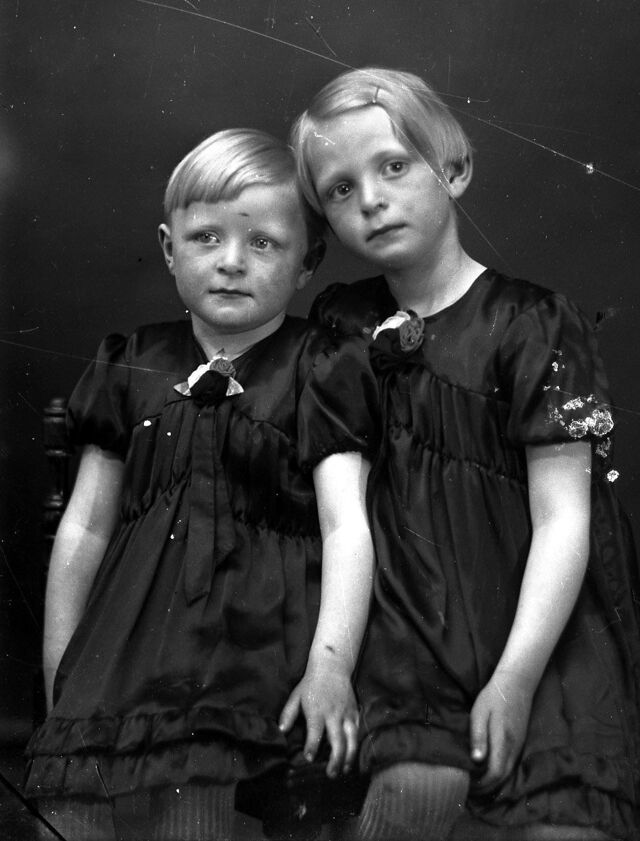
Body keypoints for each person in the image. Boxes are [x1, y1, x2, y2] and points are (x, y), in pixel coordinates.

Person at [290, 67, 640, 841]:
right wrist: (332, 661)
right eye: (340, 189)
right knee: (410, 799)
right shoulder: (343, 327)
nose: (371, 199)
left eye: (393, 166)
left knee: (563, 816)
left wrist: (516, 677)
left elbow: (563, 520)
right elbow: (344, 516)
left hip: (541, 630)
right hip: (415, 629)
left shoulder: (531, 321)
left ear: (453, 170)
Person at [24, 128, 378, 841]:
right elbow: (86, 527)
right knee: (70, 808)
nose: (231, 262)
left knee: (197, 806)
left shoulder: (321, 366)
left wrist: (331, 668)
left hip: (255, 646)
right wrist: (63, 671)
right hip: (127, 643)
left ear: (308, 263)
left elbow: (346, 526)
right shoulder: (132, 360)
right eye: (206, 238)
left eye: (264, 243)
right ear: (168, 248)